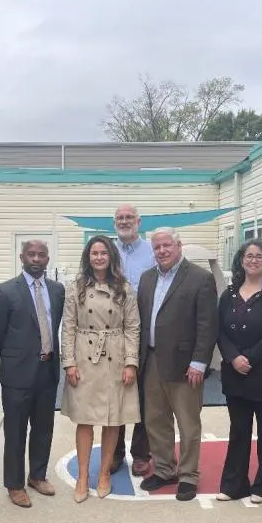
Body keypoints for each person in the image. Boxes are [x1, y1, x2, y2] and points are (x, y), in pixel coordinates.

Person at [137, 227, 217, 502]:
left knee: (188, 423)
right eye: (157, 247)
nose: (162, 251)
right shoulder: (147, 279)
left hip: (185, 365)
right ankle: (164, 469)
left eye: (167, 245)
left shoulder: (200, 278)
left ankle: (188, 475)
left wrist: (199, 362)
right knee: (155, 420)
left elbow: (207, 325)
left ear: (179, 245)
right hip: (151, 360)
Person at [61, 235, 141, 503]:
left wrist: (131, 362)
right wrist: (69, 362)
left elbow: (133, 327)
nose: (98, 257)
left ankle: (104, 473)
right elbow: (68, 327)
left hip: (115, 357)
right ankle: (83, 476)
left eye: (103, 253)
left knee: (112, 418)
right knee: (85, 419)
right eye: (94, 253)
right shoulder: (76, 287)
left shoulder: (124, 288)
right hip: (85, 357)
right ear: (88, 256)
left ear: (111, 256)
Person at [0, 239, 65, 508]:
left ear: (48, 259)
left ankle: (37, 475)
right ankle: (14, 484)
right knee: (15, 431)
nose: (36, 259)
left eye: (41, 255)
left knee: (44, 427)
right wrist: (18, 356)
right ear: (22, 256)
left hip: (47, 371)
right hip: (17, 374)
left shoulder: (58, 290)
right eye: (31, 254)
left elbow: (55, 324)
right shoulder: (6, 291)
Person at [216, 239, 262, 504]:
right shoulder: (229, 293)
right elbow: (220, 331)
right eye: (249, 256)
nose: (253, 260)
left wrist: (249, 357)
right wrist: (234, 358)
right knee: (239, 432)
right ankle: (234, 484)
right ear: (241, 260)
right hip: (235, 375)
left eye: (259, 256)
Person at [111, 203, 156, 477]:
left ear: (139, 221)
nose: (125, 221)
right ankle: (114, 452)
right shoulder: (107, 250)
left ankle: (141, 454)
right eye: (120, 218)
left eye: (129, 217)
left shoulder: (152, 251)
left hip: (143, 332)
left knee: (143, 395)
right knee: (115, 393)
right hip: (112, 334)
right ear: (114, 222)